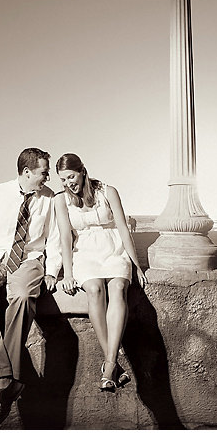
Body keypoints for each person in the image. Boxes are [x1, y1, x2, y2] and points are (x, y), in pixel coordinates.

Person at [0, 147, 69, 428]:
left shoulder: (50, 198)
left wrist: (52, 271)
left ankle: (4, 382)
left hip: (29, 259)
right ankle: (7, 378)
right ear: (27, 172)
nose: (47, 178)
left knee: (21, 296)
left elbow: (53, 238)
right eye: (43, 172)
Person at [55, 153, 147, 392]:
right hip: (84, 252)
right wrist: (67, 273)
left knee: (117, 288)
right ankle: (112, 364)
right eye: (63, 180)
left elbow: (123, 229)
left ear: (83, 170)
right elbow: (65, 237)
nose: (68, 184)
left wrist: (136, 263)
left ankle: (108, 365)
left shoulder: (108, 192)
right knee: (94, 290)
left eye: (71, 176)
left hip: (114, 250)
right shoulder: (60, 200)